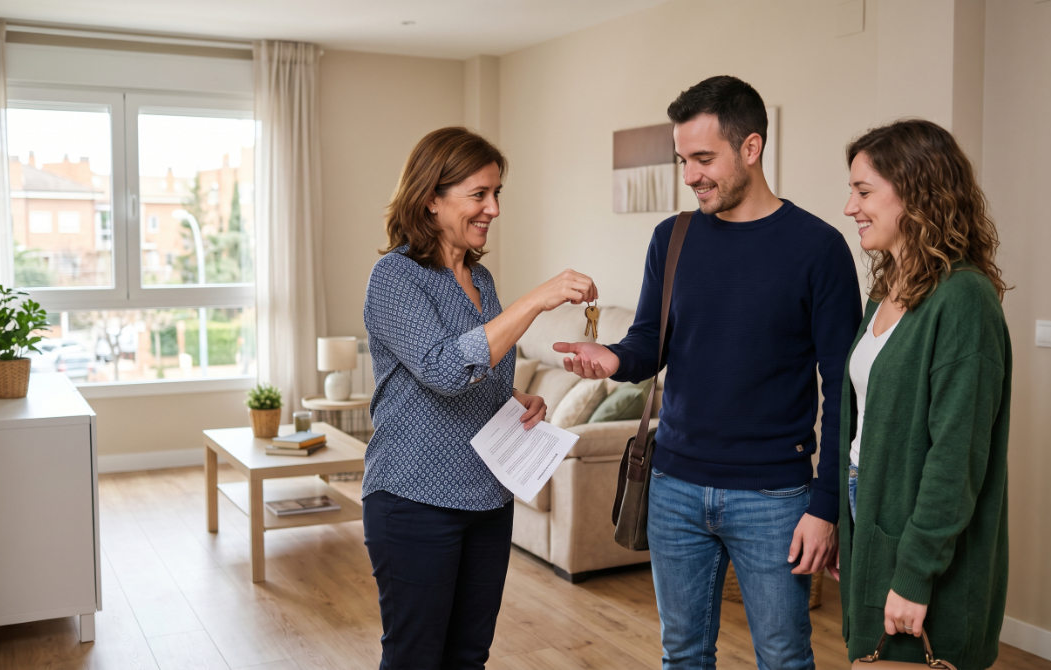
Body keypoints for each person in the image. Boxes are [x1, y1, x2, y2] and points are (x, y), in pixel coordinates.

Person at [555, 76, 862, 670]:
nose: (690, 175)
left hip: (775, 496)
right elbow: (651, 339)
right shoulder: (672, 238)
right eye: (682, 161)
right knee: (683, 654)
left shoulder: (818, 249)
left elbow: (842, 389)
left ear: (751, 148)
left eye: (703, 158)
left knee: (783, 656)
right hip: (673, 485)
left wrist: (827, 507)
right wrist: (614, 358)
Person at [361, 126, 599, 670]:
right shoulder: (394, 278)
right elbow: (443, 368)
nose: (493, 208)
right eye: (479, 195)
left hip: (489, 501)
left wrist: (516, 398)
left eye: (497, 195)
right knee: (415, 658)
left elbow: (476, 371)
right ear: (430, 199)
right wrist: (537, 299)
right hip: (413, 501)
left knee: (469, 657)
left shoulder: (481, 279)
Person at [836, 119, 1011, 669]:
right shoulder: (888, 290)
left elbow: (955, 459)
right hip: (871, 508)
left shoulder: (964, 300)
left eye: (864, 192)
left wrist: (914, 574)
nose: (850, 208)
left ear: (916, 193)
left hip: (922, 537)